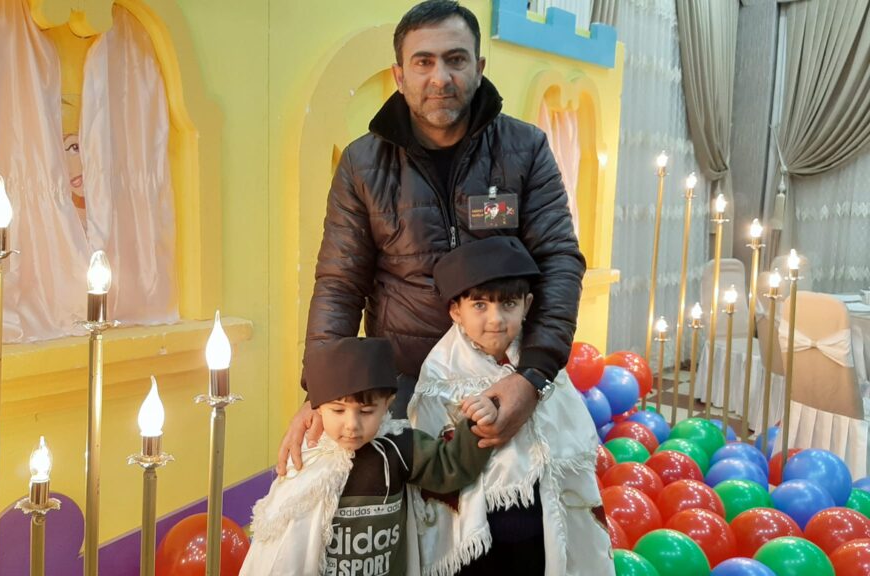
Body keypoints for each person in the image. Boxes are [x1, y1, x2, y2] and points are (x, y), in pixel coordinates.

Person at [278, 0, 586, 475]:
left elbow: (559, 259)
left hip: (505, 378)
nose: (440, 78)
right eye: (423, 62)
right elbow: (340, 283)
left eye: (455, 59)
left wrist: (533, 375)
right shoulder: (363, 164)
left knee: (517, 513)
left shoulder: (524, 148)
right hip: (403, 385)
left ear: (479, 68)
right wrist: (321, 390)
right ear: (400, 75)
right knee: (414, 516)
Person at [408, 236, 613, 575]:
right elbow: (435, 462)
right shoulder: (441, 372)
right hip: (480, 536)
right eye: (480, 305)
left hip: (539, 526)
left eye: (508, 304)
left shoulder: (539, 365)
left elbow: (568, 434)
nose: (496, 319)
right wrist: (474, 425)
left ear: (527, 305)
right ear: (456, 310)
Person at [241, 337, 497, 575]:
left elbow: (450, 467)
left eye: (366, 411)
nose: (352, 425)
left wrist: (476, 423)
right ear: (317, 408)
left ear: (387, 404)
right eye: (338, 410)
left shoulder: (399, 446)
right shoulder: (308, 457)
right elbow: (286, 548)